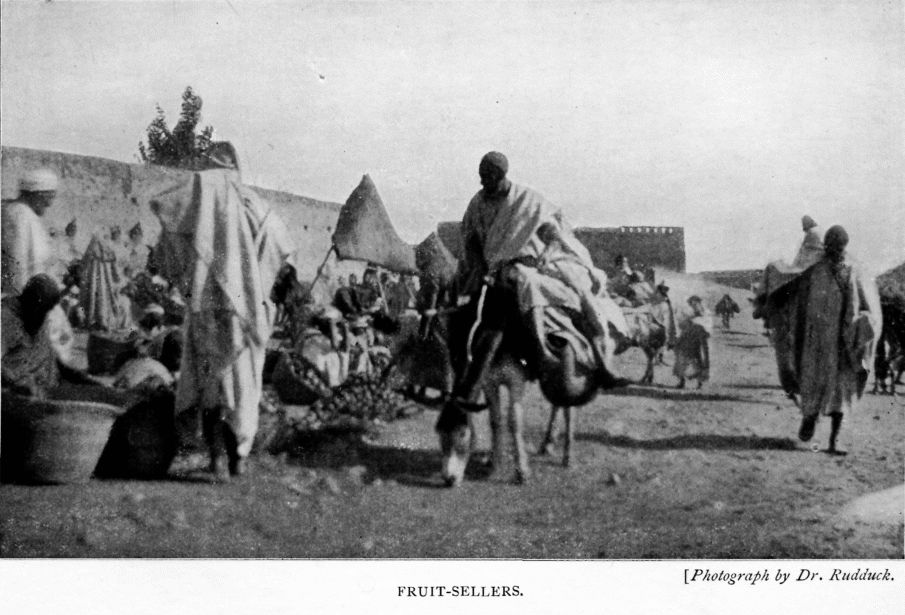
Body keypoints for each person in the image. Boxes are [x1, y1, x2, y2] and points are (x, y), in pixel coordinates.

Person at [150, 142, 294, 477]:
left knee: (210, 382)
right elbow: (280, 248)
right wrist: (259, 283)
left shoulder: (196, 197)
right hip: (246, 315)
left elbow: (166, 238)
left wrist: (187, 275)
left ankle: (216, 457)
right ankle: (238, 457)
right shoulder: (253, 205)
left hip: (206, 309)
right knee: (243, 385)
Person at [449, 151, 627, 412]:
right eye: (481, 176)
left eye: (486, 177)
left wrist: (546, 254)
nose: (482, 182)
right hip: (495, 270)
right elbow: (471, 240)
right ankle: (467, 384)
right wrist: (479, 266)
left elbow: (554, 234)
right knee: (462, 314)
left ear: (500, 175)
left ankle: (591, 360)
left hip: (534, 265)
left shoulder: (527, 201)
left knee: (574, 295)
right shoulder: (477, 203)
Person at [793, 225, 879, 455]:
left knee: (838, 391)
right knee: (821, 386)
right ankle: (810, 419)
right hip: (823, 343)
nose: (836, 251)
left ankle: (832, 438)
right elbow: (804, 307)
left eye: (838, 247)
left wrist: (860, 326)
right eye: (833, 246)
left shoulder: (848, 272)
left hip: (838, 343)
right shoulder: (820, 272)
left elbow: (863, 305)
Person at [2, 275, 96, 396]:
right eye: (43, 310)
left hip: (48, 389)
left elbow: (48, 357)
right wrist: (16, 385)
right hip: (16, 396)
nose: (45, 315)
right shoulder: (6, 318)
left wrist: (78, 377)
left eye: (47, 310)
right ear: (30, 302)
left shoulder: (39, 314)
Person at [2, 169, 58, 295]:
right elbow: (17, 265)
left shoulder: (24, 213)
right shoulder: (20, 215)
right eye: (49, 197)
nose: (49, 204)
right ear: (37, 194)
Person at [673, 295, 712, 389]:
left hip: (698, 334)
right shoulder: (688, 311)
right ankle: (682, 381)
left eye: (695, 303)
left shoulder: (704, 311)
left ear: (698, 302)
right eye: (691, 303)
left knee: (698, 359)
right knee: (681, 357)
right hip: (687, 334)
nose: (693, 304)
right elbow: (682, 323)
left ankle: (700, 382)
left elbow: (706, 322)